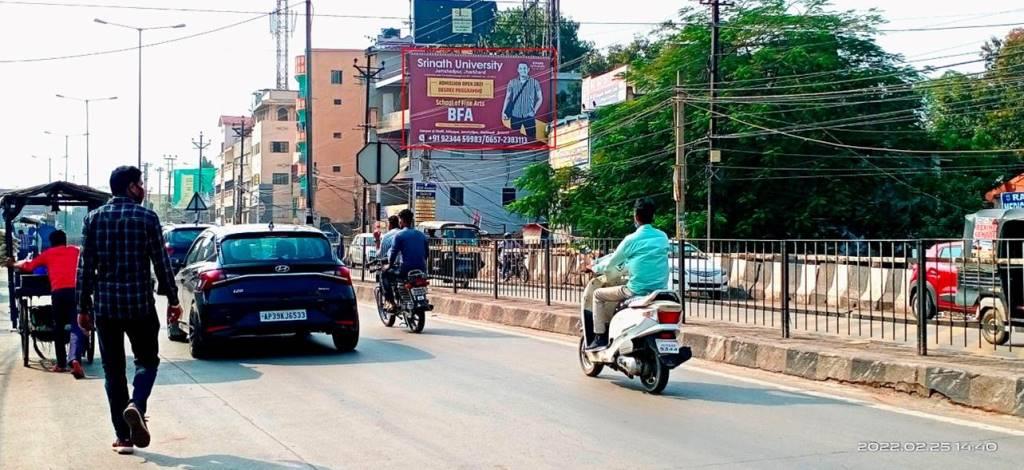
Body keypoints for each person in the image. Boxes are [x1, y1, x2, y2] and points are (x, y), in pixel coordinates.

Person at [77, 166, 182, 455]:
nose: (143, 188)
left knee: (113, 372)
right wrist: (173, 300)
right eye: (140, 184)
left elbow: (85, 266)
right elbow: (161, 263)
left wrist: (82, 306)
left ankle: (123, 438)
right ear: (131, 187)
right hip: (140, 305)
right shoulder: (147, 218)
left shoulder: (93, 219)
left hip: (106, 307)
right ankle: (137, 404)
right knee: (148, 361)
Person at [587, 198, 670, 350]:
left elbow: (612, 262)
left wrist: (594, 268)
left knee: (598, 294)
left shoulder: (631, 239)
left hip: (635, 291)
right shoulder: (663, 237)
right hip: (660, 291)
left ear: (636, 216)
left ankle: (599, 337)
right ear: (653, 216)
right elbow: (641, 258)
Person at [7, 230, 86, 378]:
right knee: (76, 326)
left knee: (59, 327)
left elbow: (29, 266)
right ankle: (74, 359)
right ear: (65, 241)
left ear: (51, 242)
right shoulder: (76, 251)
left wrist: (13, 263)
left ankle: (61, 364)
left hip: (58, 293)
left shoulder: (48, 253)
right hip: (75, 292)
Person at [501, 62, 544, 140]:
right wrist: (503, 112)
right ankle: (512, 151)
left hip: (529, 115)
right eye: (521, 68)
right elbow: (507, 98)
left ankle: (531, 152)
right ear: (518, 70)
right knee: (513, 138)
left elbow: (540, 98)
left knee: (532, 139)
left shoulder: (535, 82)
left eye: (524, 68)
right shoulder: (512, 82)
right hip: (515, 115)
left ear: (528, 70)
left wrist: (534, 111)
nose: (522, 70)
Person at [387, 209, 429, 283]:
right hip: (422, 269)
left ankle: (391, 294)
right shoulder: (422, 235)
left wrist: (389, 266)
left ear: (402, 220)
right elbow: (426, 254)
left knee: (386, 273)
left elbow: (393, 253)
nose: (399, 222)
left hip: (405, 269)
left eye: (400, 220)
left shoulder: (399, 235)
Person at [377, 216, 402, 309]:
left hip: (399, 266)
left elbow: (380, 255)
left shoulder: (388, 236)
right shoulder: (407, 233)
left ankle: (391, 302)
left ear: (390, 225)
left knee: (383, 274)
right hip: (417, 267)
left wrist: (377, 240)